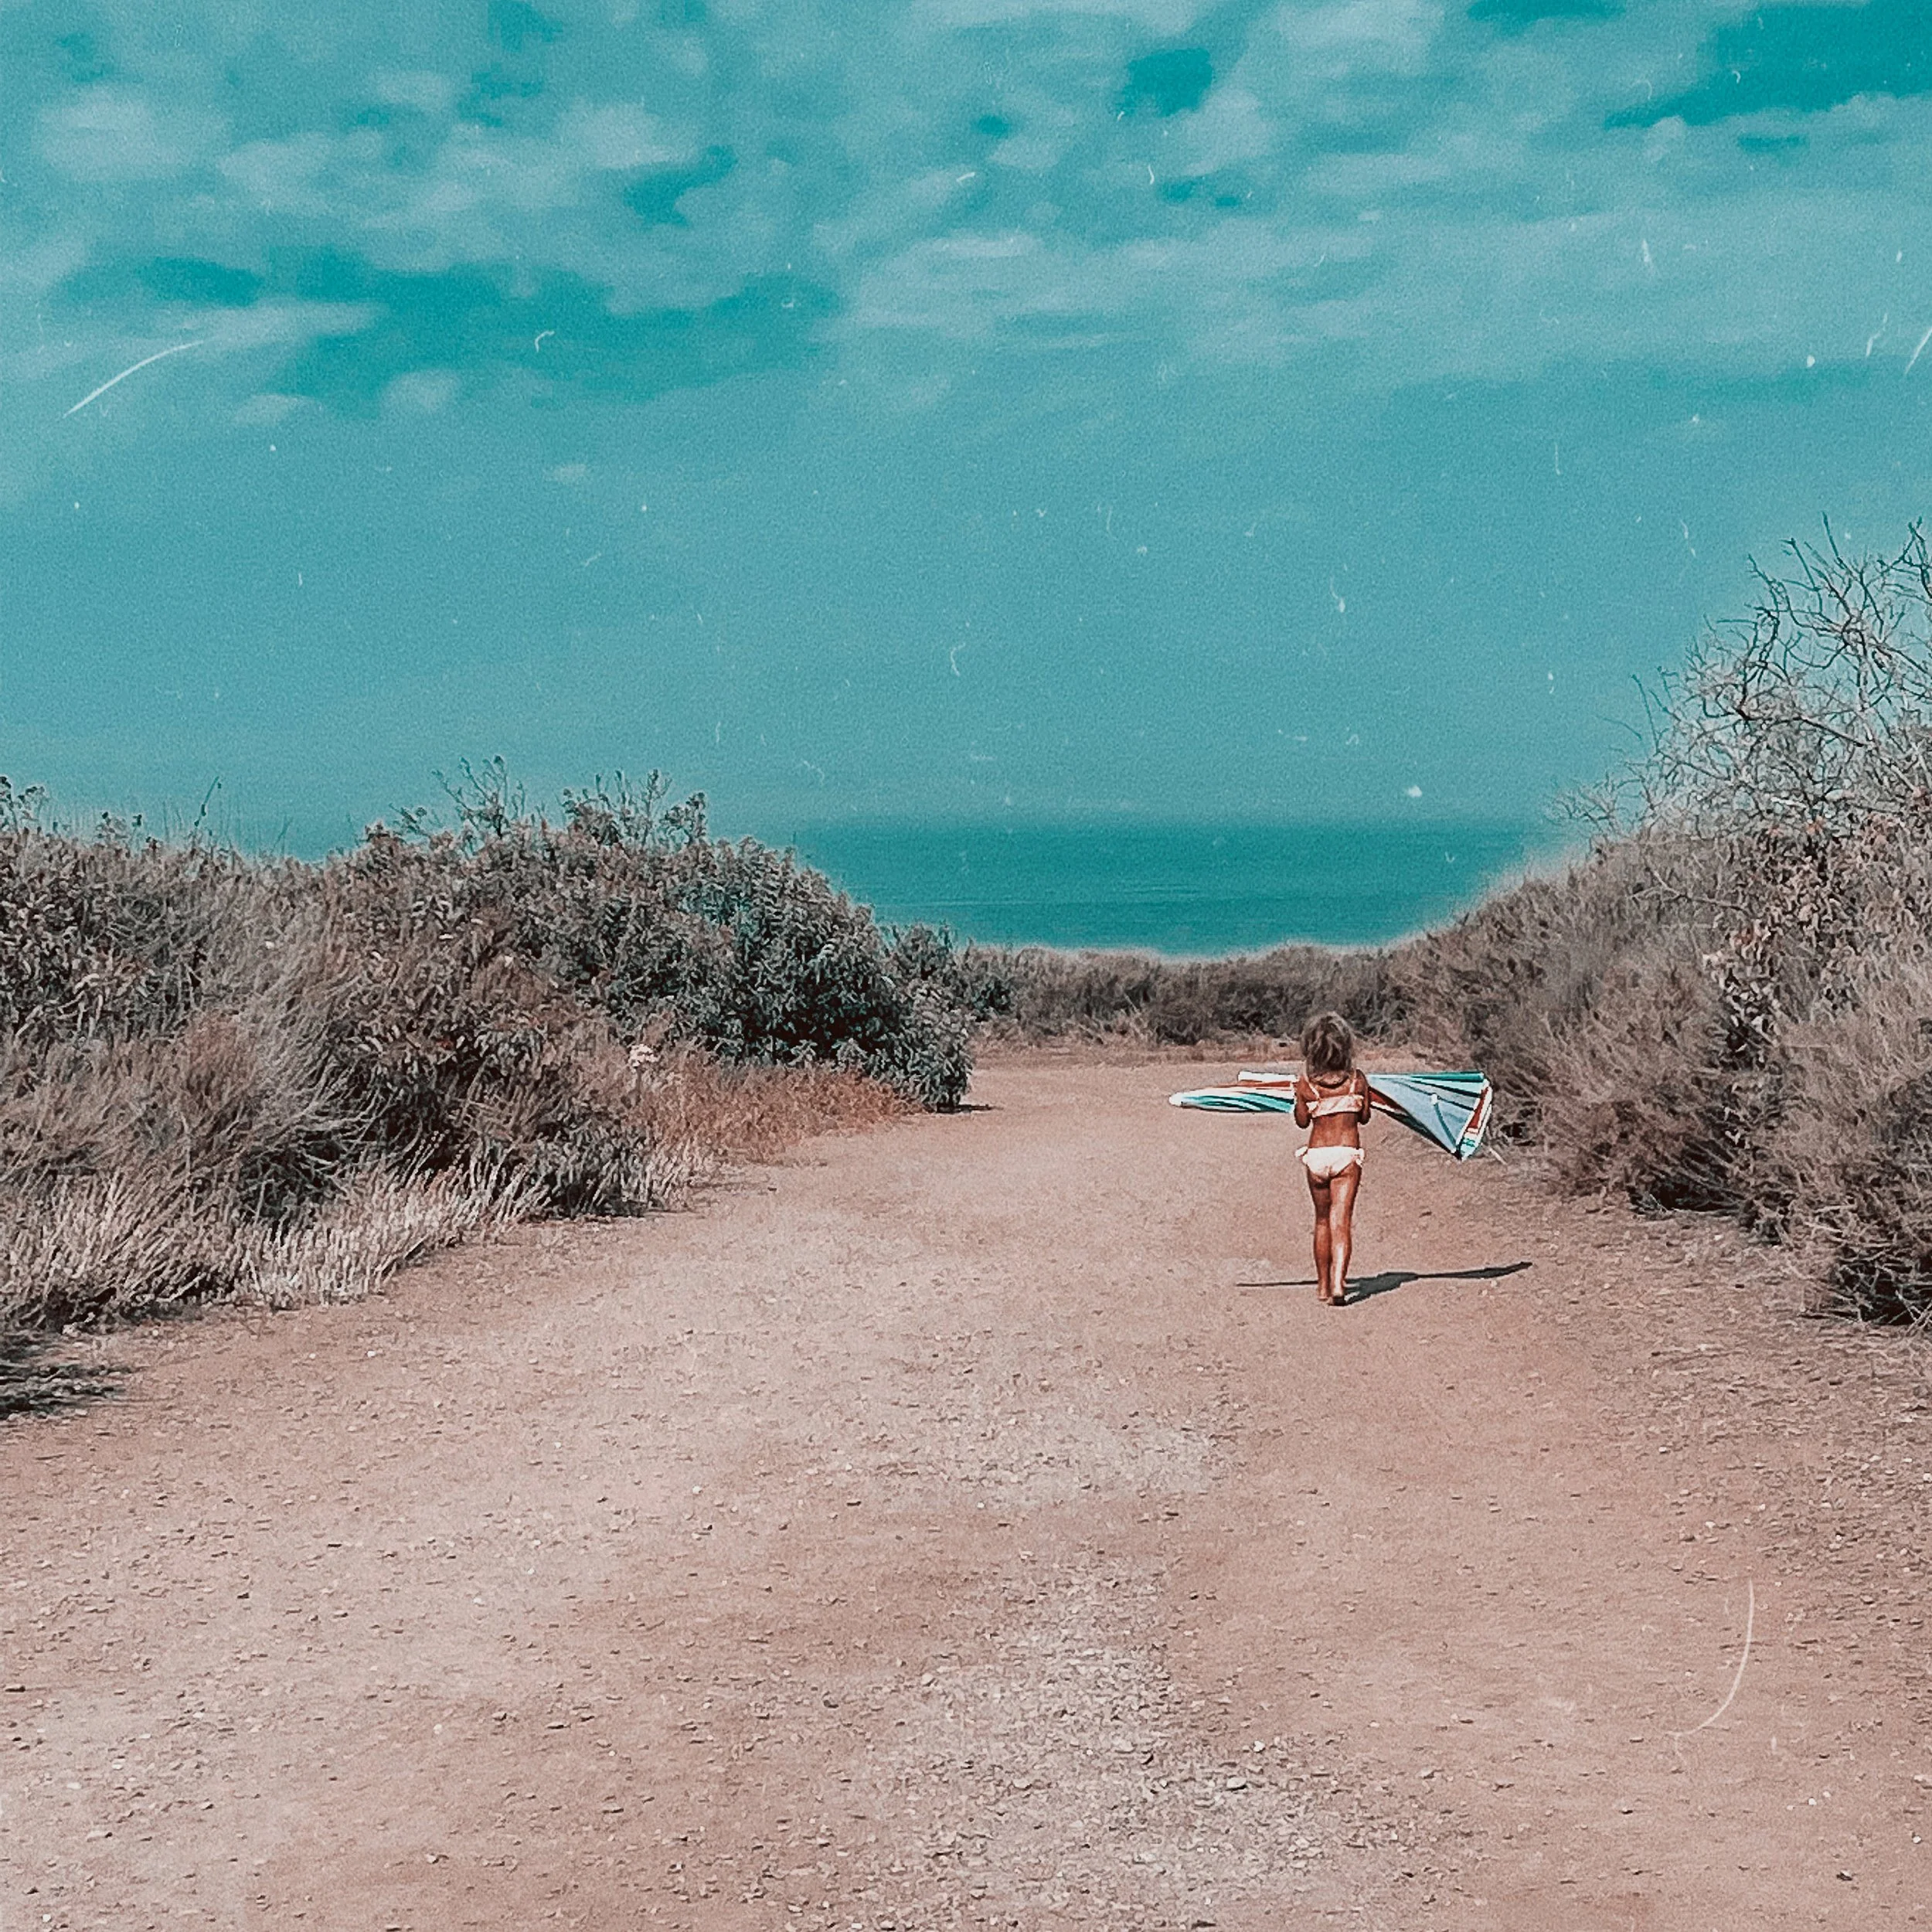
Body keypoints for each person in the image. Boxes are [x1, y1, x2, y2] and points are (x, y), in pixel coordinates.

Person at [1293, 1011, 1371, 1307]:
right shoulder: (1357, 1081)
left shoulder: (1306, 1085)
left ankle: (1322, 1285)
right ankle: (1340, 1282)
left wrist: (1299, 1100)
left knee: (1322, 1220)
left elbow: (1302, 1122)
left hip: (1316, 1156)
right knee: (1342, 1221)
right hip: (1346, 1155)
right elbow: (1364, 1117)